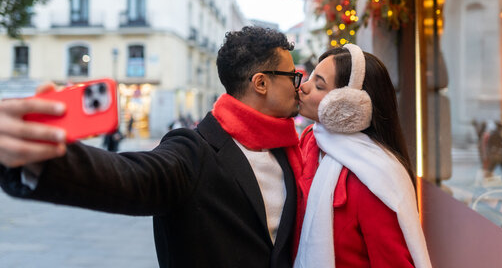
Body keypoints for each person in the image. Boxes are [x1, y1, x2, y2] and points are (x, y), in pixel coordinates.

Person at [0, 26, 303, 268]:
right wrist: (41, 156)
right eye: (292, 76)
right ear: (261, 83)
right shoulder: (194, 151)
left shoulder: (287, 148)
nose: (299, 85)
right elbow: (132, 178)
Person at [293, 44, 432, 268]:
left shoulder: (374, 179)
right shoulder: (311, 140)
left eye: (319, 85)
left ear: (349, 105)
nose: (303, 87)